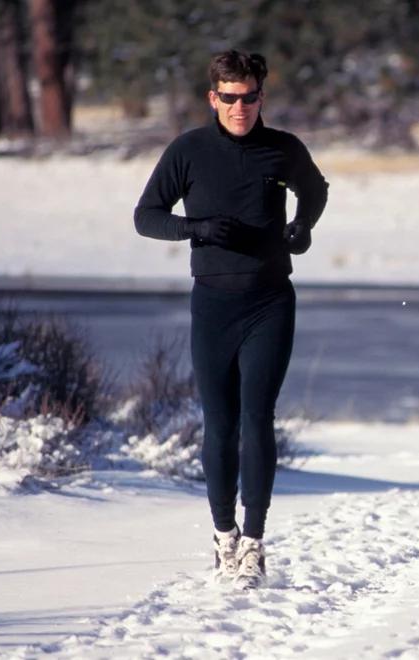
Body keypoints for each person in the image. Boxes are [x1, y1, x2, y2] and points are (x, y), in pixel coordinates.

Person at [133, 50, 328, 589]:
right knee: (220, 423)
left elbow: (316, 191)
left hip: (270, 301)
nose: (239, 108)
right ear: (212, 97)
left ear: (261, 97)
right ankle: (224, 536)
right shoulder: (189, 151)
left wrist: (302, 226)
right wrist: (195, 229)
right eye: (229, 98)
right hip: (213, 303)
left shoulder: (282, 148)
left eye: (249, 98)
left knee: (258, 418)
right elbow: (145, 216)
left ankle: (255, 545)